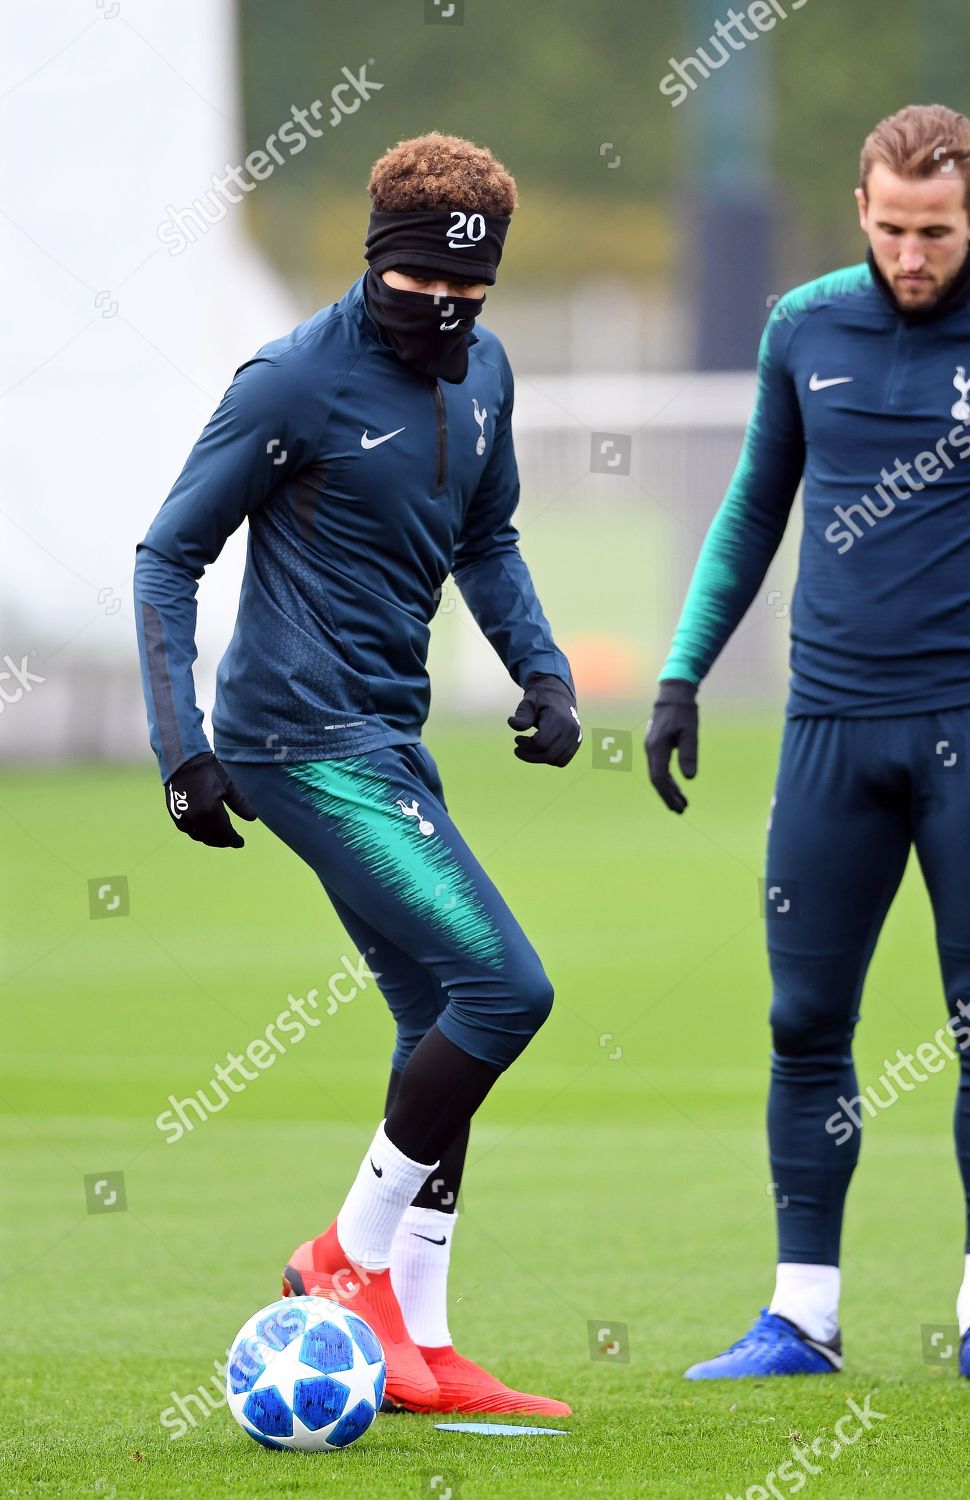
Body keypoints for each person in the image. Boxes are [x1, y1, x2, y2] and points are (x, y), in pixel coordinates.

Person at [645, 103, 970, 1386]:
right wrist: (683, 672)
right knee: (805, 1023)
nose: (914, 258)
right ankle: (802, 1318)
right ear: (860, 210)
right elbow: (752, 506)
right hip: (827, 732)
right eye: (893, 230)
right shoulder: (803, 328)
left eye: (938, 234)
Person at [134, 133, 579, 1416]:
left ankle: (421, 1350)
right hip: (294, 741)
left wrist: (541, 673)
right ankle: (341, 1259)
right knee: (506, 988)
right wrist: (185, 751)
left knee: (436, 1015)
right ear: (374, 262)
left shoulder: (486, 370)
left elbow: (486, 537)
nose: (442, 317)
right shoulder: (291, 382)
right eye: (416, 293)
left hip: (390, 735)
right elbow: (169, 555)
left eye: (467, 296)